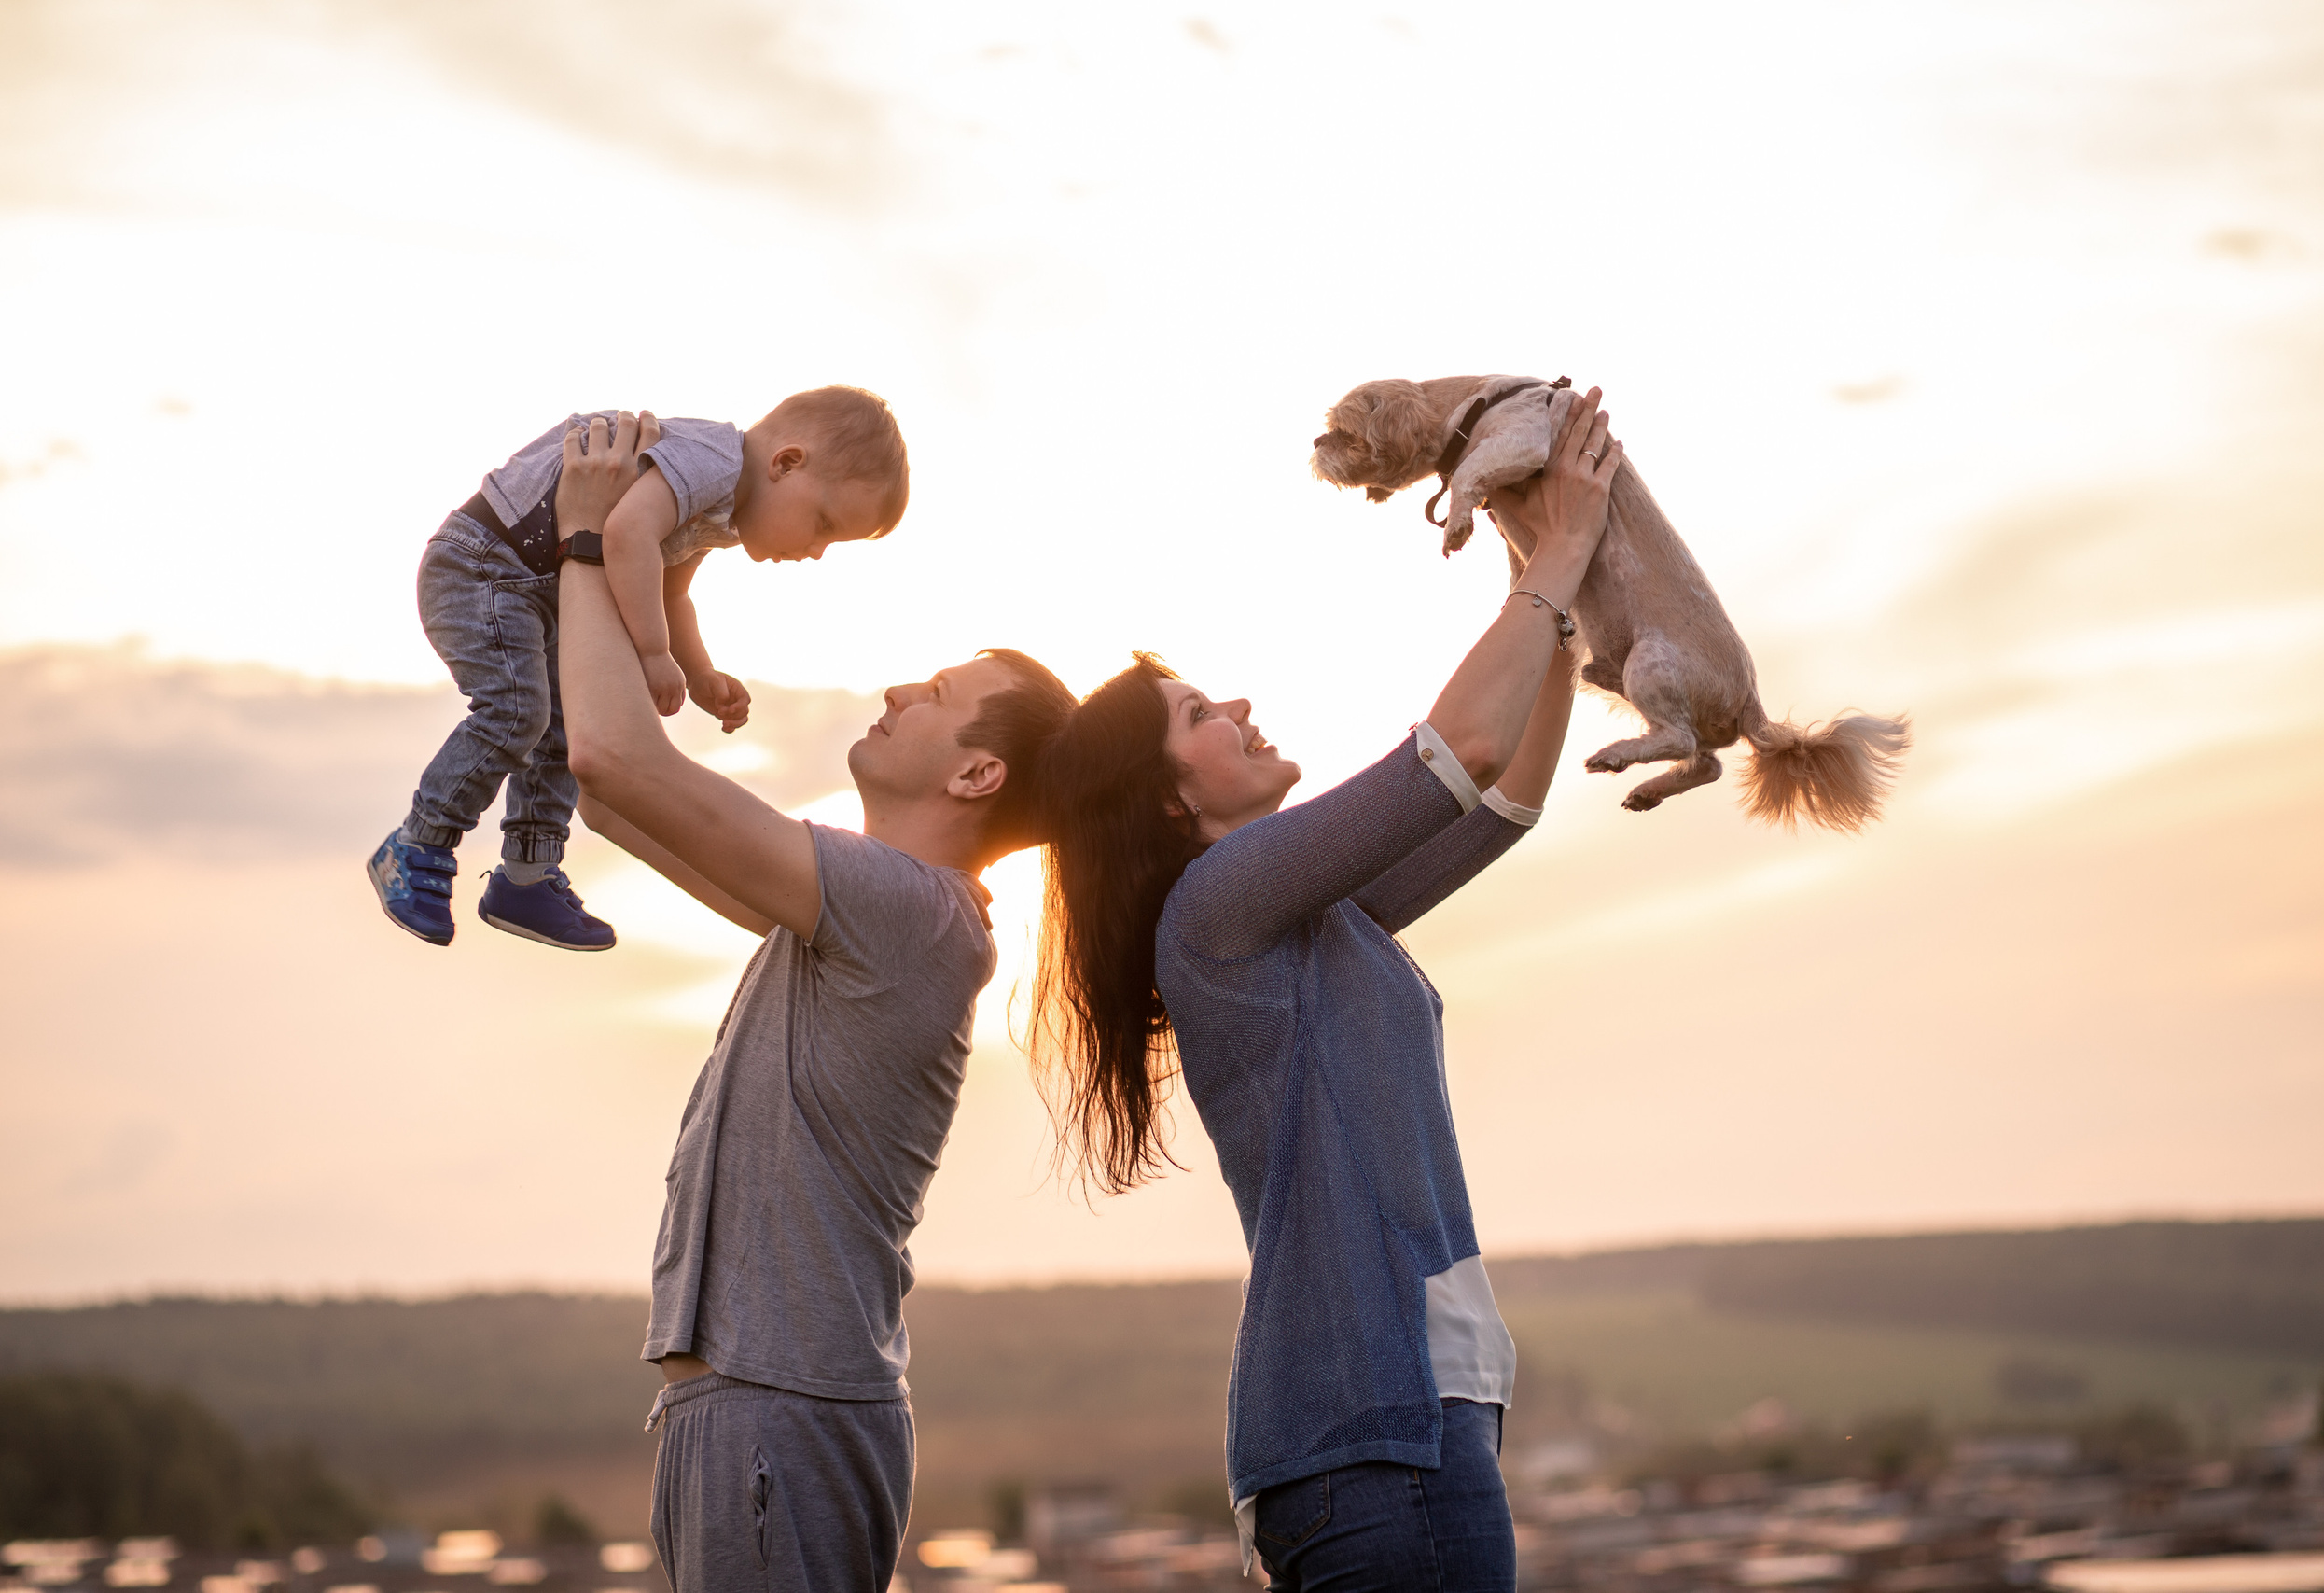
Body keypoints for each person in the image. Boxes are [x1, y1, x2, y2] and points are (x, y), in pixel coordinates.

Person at [1030, 393, 1625, 1590]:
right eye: (1199, 715)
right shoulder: (1220, 905)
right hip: (1376, 1449)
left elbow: (1503, 798)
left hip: (1402, 1433)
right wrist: (1555, 557)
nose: (1239, 708)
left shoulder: (1303, 915)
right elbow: (1453, 755)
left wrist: (1550, 594)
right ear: (1164, 801)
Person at [552, 412, 1077, 1593]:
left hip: (777, 1412)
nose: (898, 687)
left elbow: (615, 760)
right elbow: (613, 802)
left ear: (977, 772)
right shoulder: (856, 914)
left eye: (936, 692)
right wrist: (642, 567)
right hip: (748, 1410)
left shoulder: (908, 911)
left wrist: (587, 539)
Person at [368, 388, 908, 951]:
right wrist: (653, 654)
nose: (816, 551)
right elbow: (628, 533)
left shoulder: (722, 509)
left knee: (568, 725)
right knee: (517, 712)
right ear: (786, 463)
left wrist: (698, 671)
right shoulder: (712, 461)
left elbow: (672, 592)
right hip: (485, 566)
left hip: (536, 590)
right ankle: (416, 844)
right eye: (823, 523)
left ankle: (526, 874)